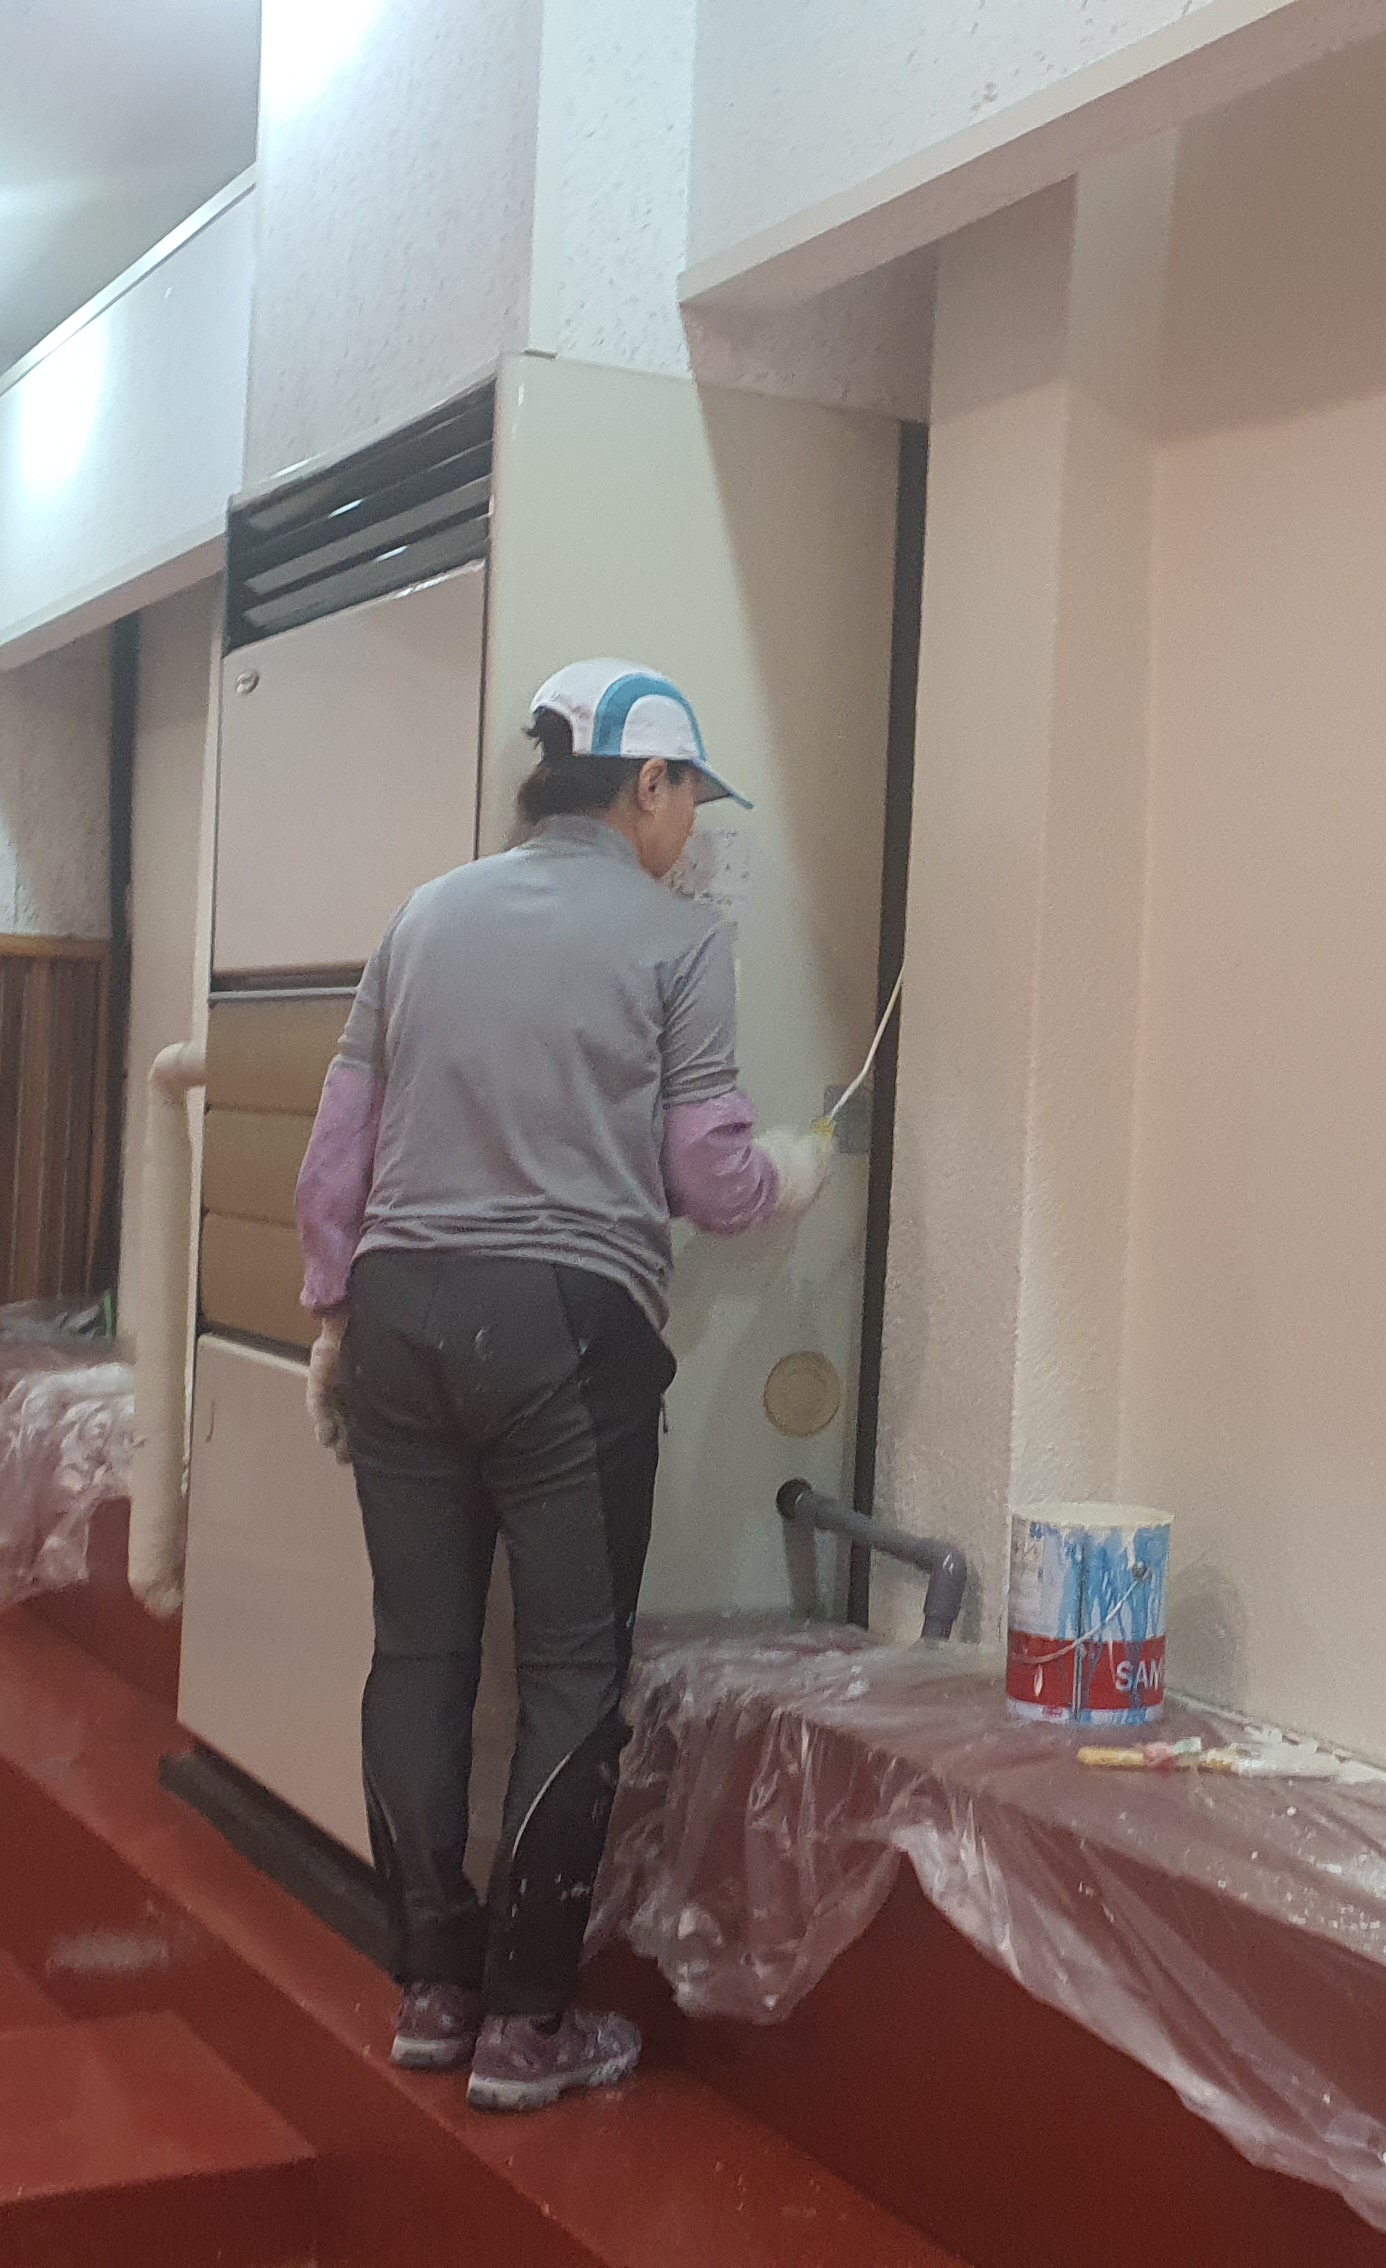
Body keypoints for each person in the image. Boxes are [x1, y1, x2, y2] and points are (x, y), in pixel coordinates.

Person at [289, 658, 834, 2113]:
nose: (692, 833)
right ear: (646, 783)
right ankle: (529, 2024)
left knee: (419, 1653)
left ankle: (432, 1990)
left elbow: (338, 1151)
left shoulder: (423, 915)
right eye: (689, 799)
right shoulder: (680, 940)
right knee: (571, 1672)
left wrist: (335, 1316)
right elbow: (705, 1175)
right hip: (564, 1330)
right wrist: (795, 1168)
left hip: (400, 1312)